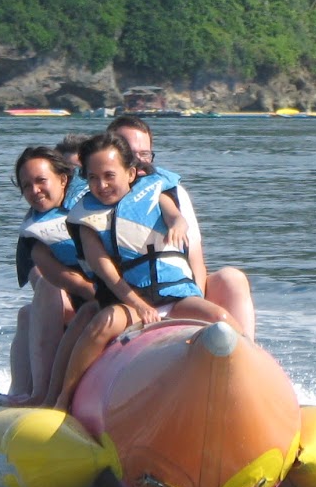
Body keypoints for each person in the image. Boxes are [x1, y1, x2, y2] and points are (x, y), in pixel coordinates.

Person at [43, 132, 237, 411]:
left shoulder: (155, 192)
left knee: (221, 320)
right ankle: (64, 400)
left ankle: (255, 384)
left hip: (175, 296)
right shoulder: (86, 218)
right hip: (128, 301)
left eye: (109, 175)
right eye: (93, 178)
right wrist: (139, 305)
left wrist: (178, 225)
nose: (102, 185)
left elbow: (175, 216)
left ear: (131, 173)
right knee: (104, 322)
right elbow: (107, 273)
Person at [107, 113, 255, 337]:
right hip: (133, 303)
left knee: (232, 278)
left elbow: (194, 256)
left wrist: (195, 306)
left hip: (179, 296)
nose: (137, 161)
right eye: (129, 153)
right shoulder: (98, 199)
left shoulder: (171, 193)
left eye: (144, 154)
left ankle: (245, 356)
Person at [0, 145, 97, 407]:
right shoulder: (34, 234)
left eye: (40, 181)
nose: (34, 191)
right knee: (28, 311)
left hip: (107, 296)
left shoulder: (96, 204)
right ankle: (26, 392)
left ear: (64, 179)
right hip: (75, 301)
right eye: (26, 186)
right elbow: (40, 280)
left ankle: (37, 395)